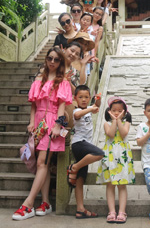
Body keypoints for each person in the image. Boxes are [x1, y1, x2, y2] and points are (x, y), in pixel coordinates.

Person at [12, 47, 72, 221]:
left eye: (56, 59)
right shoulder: (38, 80)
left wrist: (58, 125)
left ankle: (28, 203)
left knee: (42, 162)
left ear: (60, 62)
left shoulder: (63, 82)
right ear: (46, 59)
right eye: (50, 58)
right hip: (39, 124)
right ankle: (45, 202)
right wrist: (31, 122)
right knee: (42, 164)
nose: (52, 62)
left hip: (52, 123)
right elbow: (33, 105)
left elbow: (62, 105)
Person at [66, 85, 104, 219]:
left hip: (85, 146)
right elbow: (77, 115)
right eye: (80, 97)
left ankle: (80, 209)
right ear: (75, 98)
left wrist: (97, 100)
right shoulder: (76, 110)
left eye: (86, 97)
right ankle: (74, 167)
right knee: (99, 153)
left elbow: (96, 107)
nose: (83, 99)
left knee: (80, 179)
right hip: (79, 144)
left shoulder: (88, 110)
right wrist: (91, 108)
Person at [97, 97, 135, 223]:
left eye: (120, 110)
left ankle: (122, 212)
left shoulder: (126, 123)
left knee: (122, 185)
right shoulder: (106, 124)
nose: (117, 112)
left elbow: (123, 133)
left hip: (122, 157)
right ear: (109, 111)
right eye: (114, 110)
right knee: (110, 185)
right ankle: (112, 211)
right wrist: (114, 121)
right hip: (110, 156)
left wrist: (118, 120)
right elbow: (111, 134)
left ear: (125, 111)